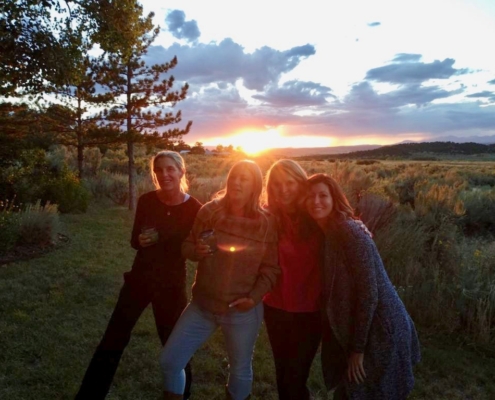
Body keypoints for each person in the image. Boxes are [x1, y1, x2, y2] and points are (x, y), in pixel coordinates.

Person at [76, 151, 202, 400]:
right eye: (158, 170)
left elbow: (190, 249)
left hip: (170, 286)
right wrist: (141, 240)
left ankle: (182, 394)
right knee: (113, 339)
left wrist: (170, 241)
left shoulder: (194, 208)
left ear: (181, 171)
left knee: (174, 346)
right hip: (139, 280)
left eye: (169, 169)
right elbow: (135, 239)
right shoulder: (147, 201)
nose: (164, 174)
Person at [159, 160, 279, 400]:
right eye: (234, 176)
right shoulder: (210, 211)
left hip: (241, 310)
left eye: (245, 178)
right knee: (170, 361)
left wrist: (253, 298)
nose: (237, 182)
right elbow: (187, 246)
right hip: (203, 305)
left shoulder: (265, 224)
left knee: (240, 370)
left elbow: (271, 269)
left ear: (255, 185)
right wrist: (196, 251)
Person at [306, 173, 421, 400]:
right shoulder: (330, 230)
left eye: (322, 195)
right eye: (309, 196)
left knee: (365, 392)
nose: (316, 201)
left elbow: (369, 293)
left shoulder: (349, 232)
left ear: (334, 198)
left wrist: (358, 350)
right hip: (368, 327)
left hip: (381, 330)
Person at [262, 159, 324, 400]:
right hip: (275, 307)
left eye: (290, 183)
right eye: (277, 184)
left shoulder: (316, 216)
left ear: (301, 184)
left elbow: (344, 226)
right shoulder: (267, 217)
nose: (283, 189)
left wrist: (360, 229)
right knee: (283, 375)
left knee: (295, 378)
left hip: (309, 311)